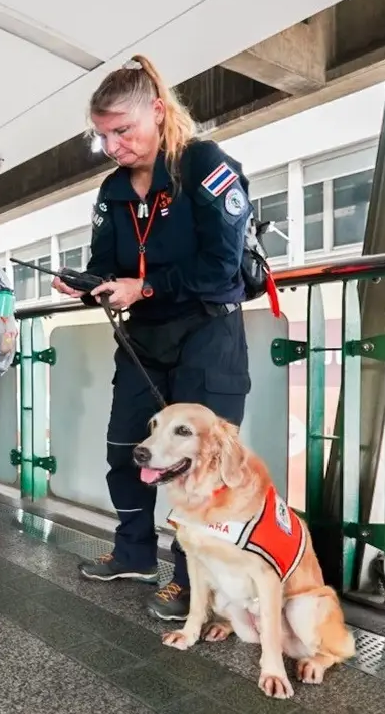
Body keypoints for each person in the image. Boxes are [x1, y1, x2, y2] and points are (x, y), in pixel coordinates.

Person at [54, 54, 253, 622]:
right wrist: (90, 283)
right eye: (103, 136)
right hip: (144, 342)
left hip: (207, 335)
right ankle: (134, 553)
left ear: (158, 113)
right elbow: (105, 261)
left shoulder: (203, 165)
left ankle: (193, 583)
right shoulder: (112, 192)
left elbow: (221, 268)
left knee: (200, 467)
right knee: (127, 452)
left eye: (124, 130)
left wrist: (141, 289)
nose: (114, 146)